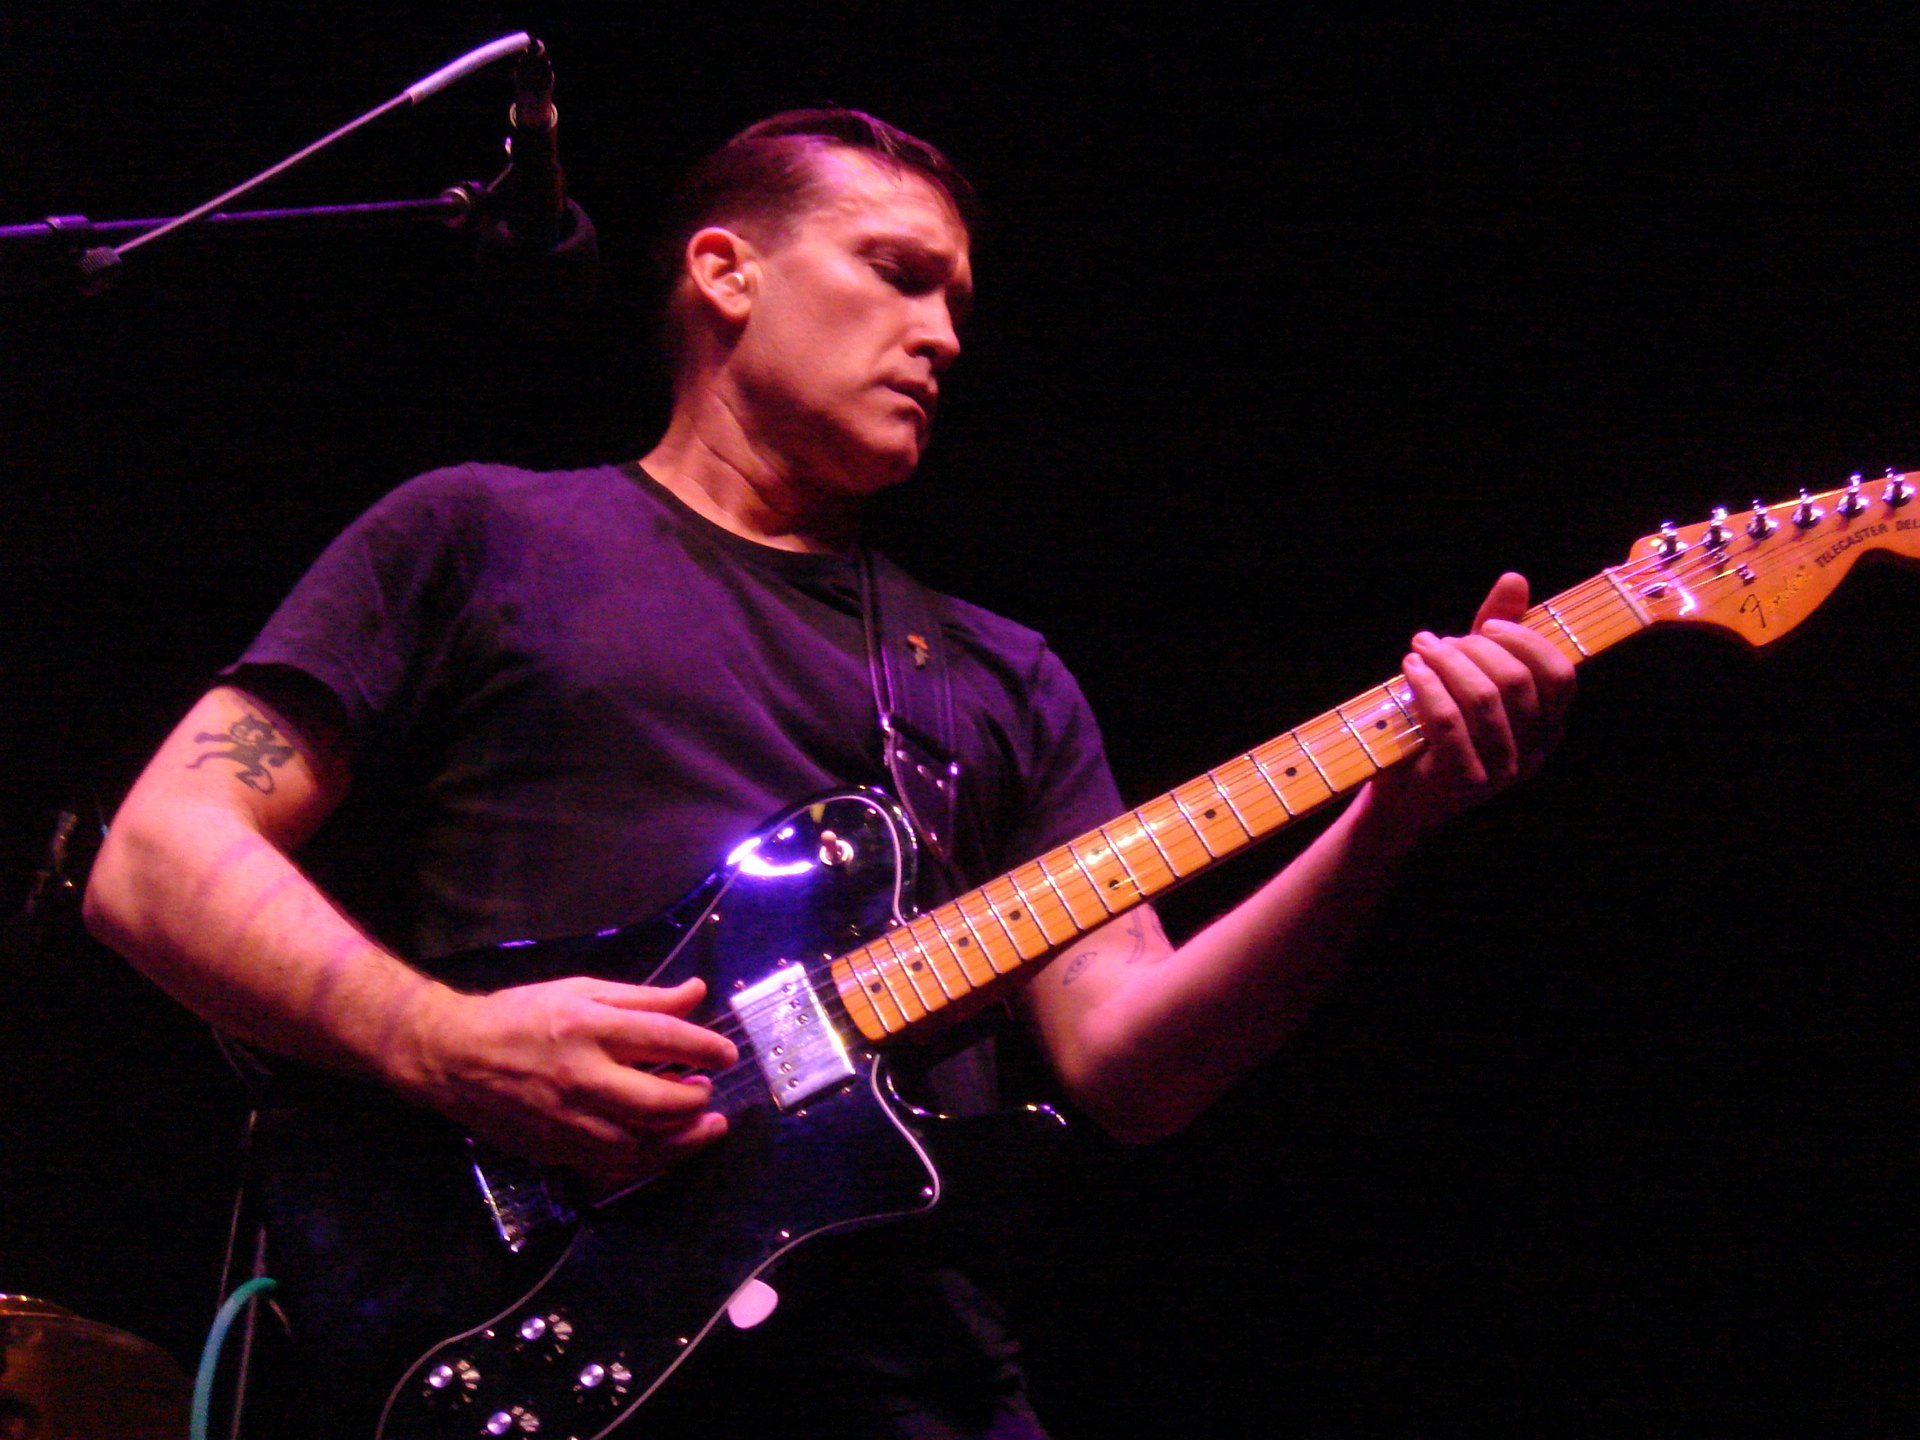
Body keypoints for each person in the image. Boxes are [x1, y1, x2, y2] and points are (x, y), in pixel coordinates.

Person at [83, 110, 1575, 1435]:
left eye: (960, 302)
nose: (946, 336)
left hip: (907, 1377)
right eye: (899, 274)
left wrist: (1388, 821)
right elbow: (158, 861)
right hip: (515, 1332)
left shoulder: (1000, 677)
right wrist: (442, 1042)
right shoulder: (481, 535)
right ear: (726, 273)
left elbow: (1134, 1069)